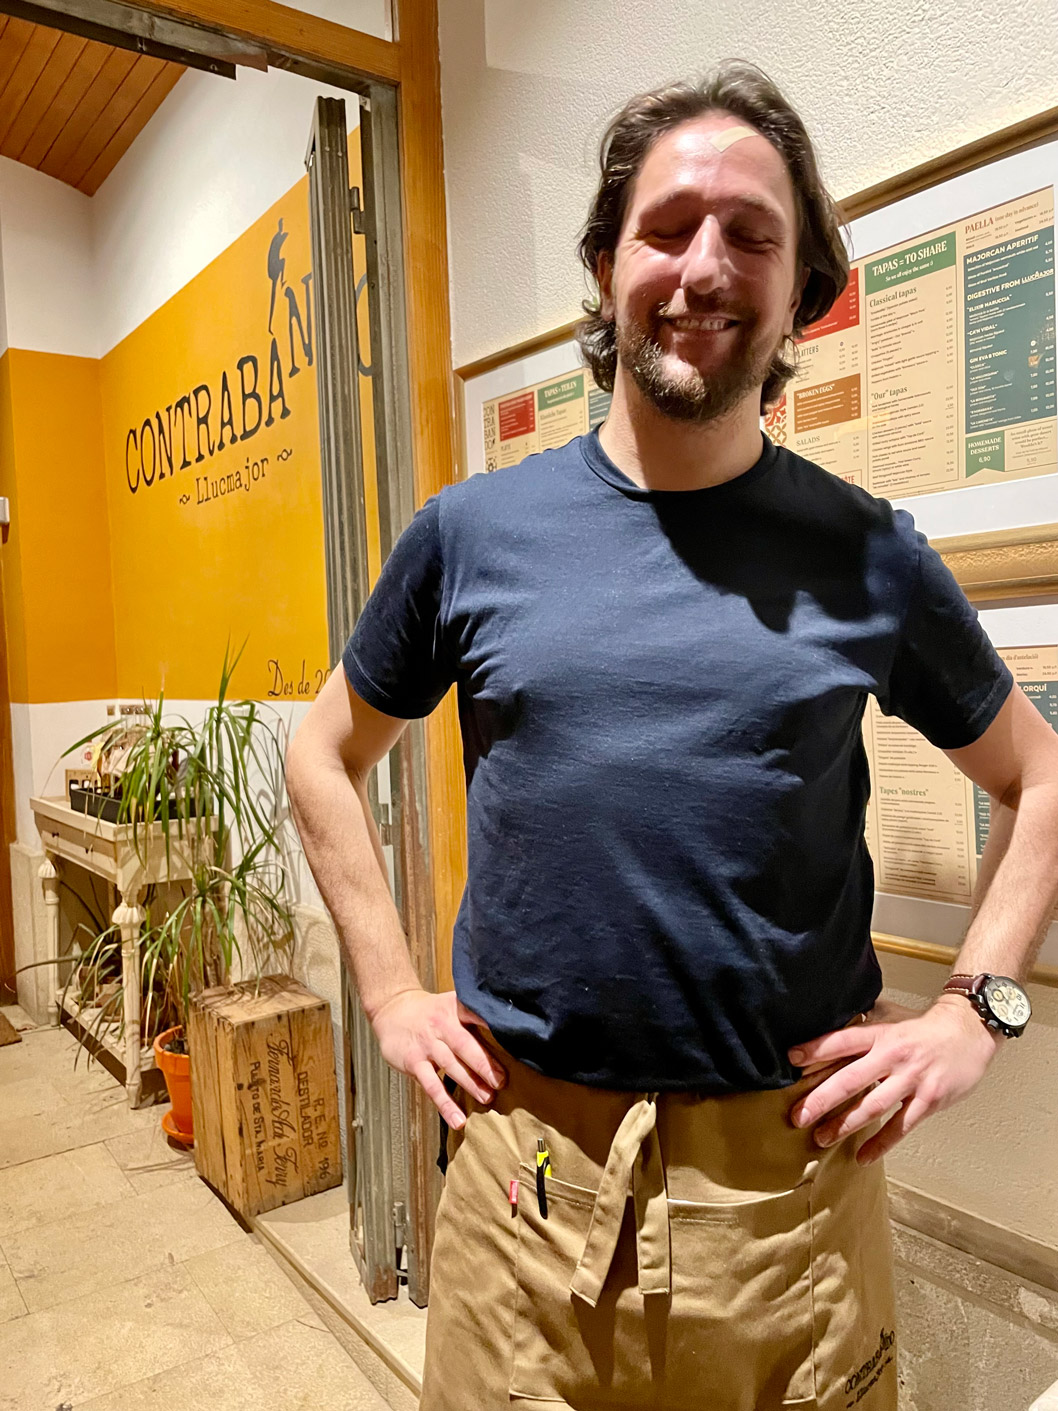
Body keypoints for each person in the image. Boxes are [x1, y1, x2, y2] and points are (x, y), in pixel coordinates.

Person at [285, 61, 1058, 1411]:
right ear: (605, 265)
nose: (704, 267)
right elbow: (322, 753)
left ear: (800, 292)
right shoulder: (470, 535)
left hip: (787, 1210)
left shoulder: (866, 555)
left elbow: (1041, 776)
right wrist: (392, 994)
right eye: (667, 228)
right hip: (521, 1196)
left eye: (751, 235)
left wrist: (974, 1008)